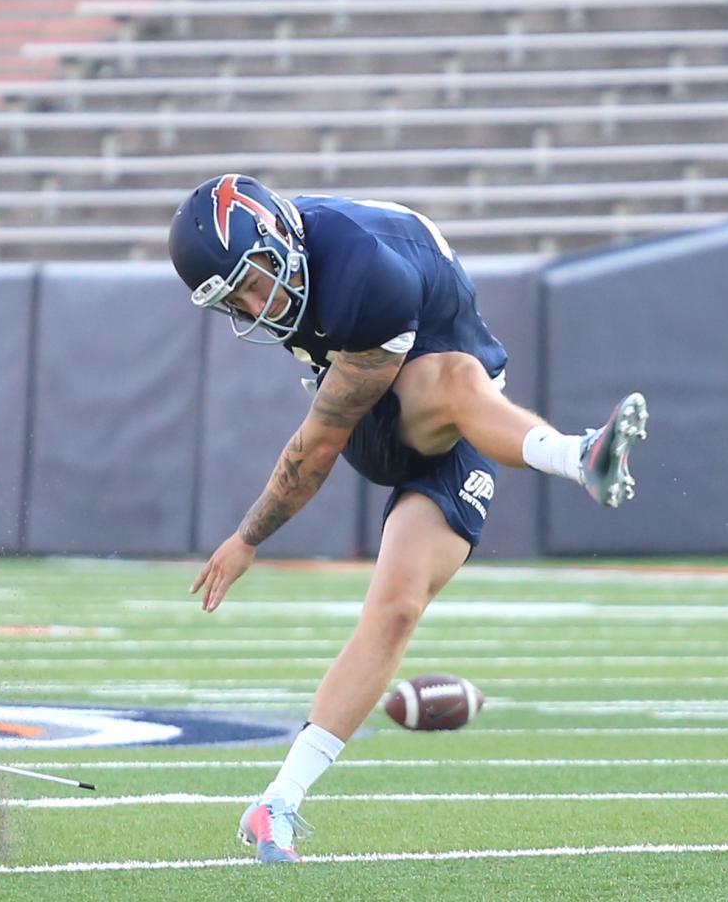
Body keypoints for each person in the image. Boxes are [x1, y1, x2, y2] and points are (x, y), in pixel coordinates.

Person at [167, 174, 649, 862]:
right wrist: (247, 540)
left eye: (254, 281)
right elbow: (330, 436)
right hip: (393, 420)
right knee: (446, 381)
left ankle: (275, 803)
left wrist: (248, 538)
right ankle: (579, 456)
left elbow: (319, 446)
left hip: (454, 420)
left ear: (279, 242)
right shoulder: (302, 253)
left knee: (396, 607)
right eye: (234, 299)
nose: (255, 304)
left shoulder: (365, 272)